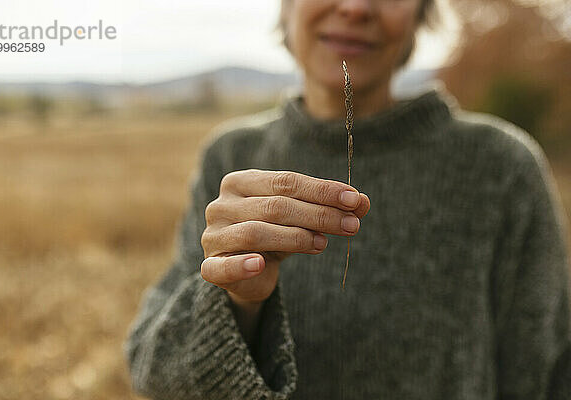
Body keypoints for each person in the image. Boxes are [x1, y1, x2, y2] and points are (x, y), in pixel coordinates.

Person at [124, 0, 571, 399]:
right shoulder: (233, 159)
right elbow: (154, 372)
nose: (356, 7)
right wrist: (238, 301)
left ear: (421, 13)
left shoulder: (500, 167)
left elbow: (545, 372)